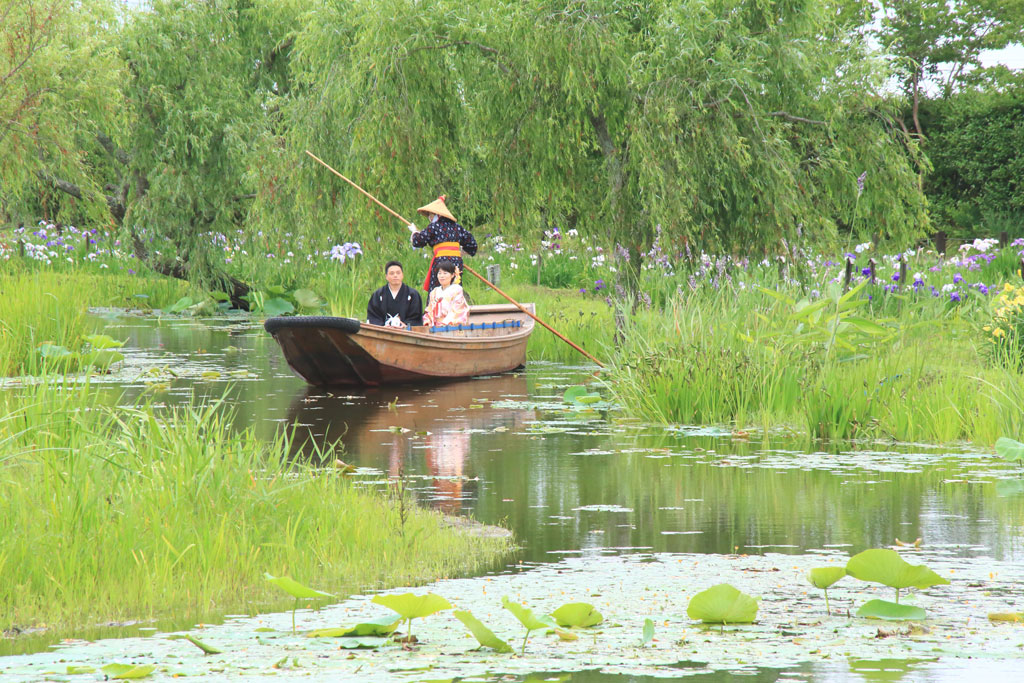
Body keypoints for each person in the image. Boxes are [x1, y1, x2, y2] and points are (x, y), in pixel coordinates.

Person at [408, 194, 477, 292]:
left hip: (441, 261)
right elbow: (472, 244)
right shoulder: (457, 227)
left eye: (431, 215)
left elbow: (418, 241)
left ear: (437, 214)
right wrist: (458, 254)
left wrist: (414, 232)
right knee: (454, 288)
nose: (429, 218)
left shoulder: (433, 227)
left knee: (438, 290)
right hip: (456, 262)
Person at [366, 260, 423, 327]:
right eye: (392, 273)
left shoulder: (413, 294)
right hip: (383, 330)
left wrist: (406, 325)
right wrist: (383, 326)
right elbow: (373, 316)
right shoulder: (378, 295)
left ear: (402, 275)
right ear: (386, 277)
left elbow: (416, 317)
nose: (395, 275)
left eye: (398, 273)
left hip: (405, 330)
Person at [423, 260, 470, 327]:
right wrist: (428, 322)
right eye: (439, 273)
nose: (442, 276)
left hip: (450, 326)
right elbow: (430, 310)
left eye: (445, 273)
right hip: (434, 326)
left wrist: (444, 324)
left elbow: (457, 311)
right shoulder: (434, 292)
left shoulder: (456, 290)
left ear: (452, 275)